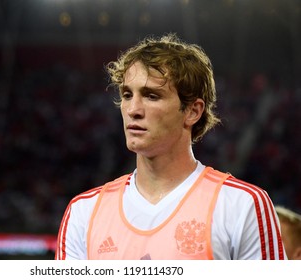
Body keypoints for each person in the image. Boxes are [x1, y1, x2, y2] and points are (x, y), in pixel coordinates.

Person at [55, 33, 286, 260]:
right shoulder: (84, 212)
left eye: (151, 96)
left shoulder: (242, 205)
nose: (133, 109)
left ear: (192, 111)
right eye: (127, 94)